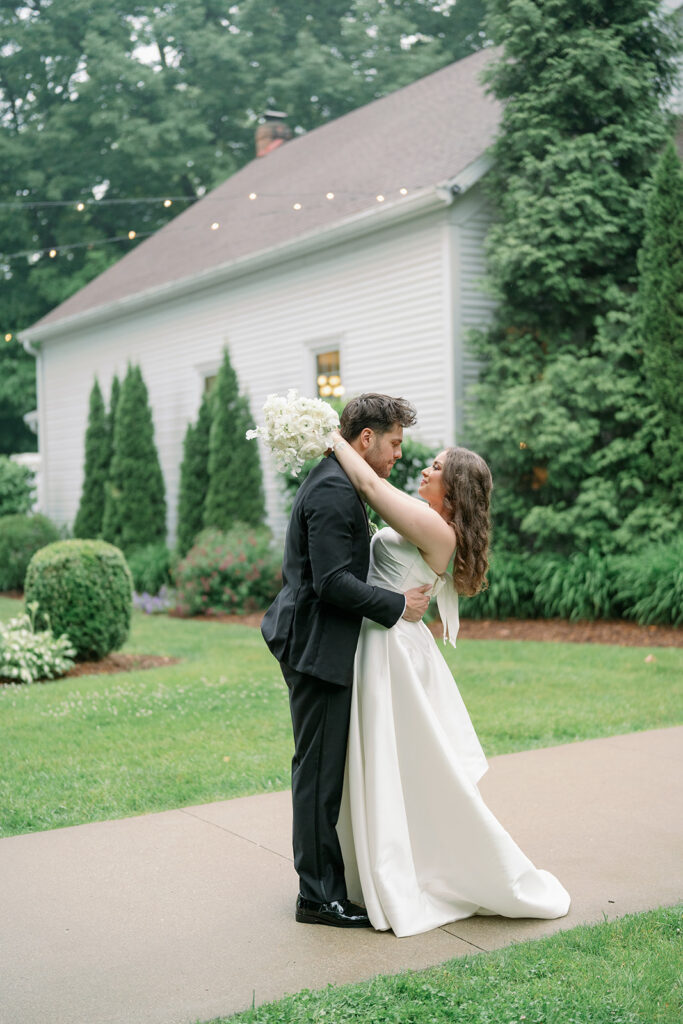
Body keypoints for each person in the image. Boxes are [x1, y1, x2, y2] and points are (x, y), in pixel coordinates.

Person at [329, 432, 571, 937]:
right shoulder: (429, 523)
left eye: (436, 468)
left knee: (398, 763)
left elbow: (372, 487)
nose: (423, 470)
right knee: (391, 764)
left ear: (454, 490)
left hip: (389, 649)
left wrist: (328, 436)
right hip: (385, 636)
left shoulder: (439, 532)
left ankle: (411, 870)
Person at [261, 394, 432, 928]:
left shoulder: (337, 479)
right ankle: (317, 896)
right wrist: (398, 605)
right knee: (317, 774)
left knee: (321, 771)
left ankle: (324, 885)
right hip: (317, 648)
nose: (399, 454)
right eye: (395, 443)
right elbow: (333, 583)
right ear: (366, 439)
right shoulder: (335, 490)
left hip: (319, 642)